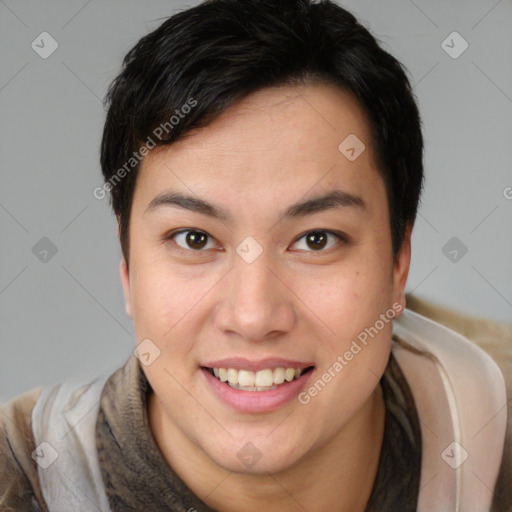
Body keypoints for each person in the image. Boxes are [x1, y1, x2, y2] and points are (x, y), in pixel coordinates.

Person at [1, 1, 510, 511]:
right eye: (195, 239)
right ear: (128, 267)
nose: (253, 316)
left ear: (399, 261)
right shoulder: (21, 478)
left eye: (316, 239)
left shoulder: (496, 423)